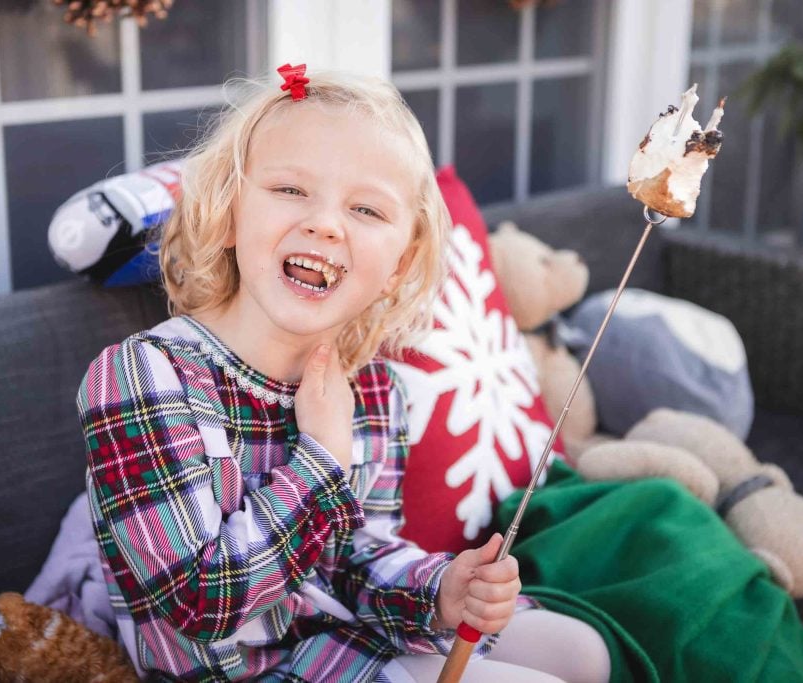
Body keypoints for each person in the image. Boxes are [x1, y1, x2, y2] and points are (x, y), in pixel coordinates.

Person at [76, 65, 611, 682]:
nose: (326, 223)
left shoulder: (375, 390)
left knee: (582, 653)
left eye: (365, 208)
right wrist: (322, 462)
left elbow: (357, 561)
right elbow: (201, 602)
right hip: (237, 671)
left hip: (337, 635)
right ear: (226, 212)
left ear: (399, 263)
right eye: (291, 190)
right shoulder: (141, 377)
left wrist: (440, 590)